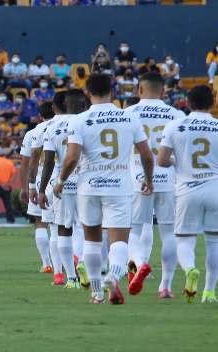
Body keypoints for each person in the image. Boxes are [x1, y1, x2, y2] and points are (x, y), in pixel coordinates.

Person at [54, 73, 155, 305]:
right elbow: (147, 154)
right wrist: (149, 179)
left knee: (91, 240)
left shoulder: (78, 120)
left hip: (88, 187)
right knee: (119, 240)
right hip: (119, 186)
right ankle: (113, 275)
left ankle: (97, 292)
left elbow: (71, 158)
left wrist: (60, 180)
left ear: (87, 94)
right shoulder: (129, 118)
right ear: (113, 91)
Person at [158, 84, 218, 303]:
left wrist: (178, 161)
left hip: (187, 188)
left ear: (186, 103)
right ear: (213, 103)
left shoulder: (174, 126)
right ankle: (209, 292)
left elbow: (162, 160)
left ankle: (190, 270)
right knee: (215, 243)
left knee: (184, 240)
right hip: (215, 187)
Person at [123, 73, 186, 298]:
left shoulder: (127, 114)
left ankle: (140, 264)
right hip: (168, 179)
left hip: (137, 180)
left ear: (139, 89)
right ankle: (165, 287)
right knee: (169, 233)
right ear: (163, 91)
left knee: (133, 231)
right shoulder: (176, 115)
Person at [39, 89, 91, 290]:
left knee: (63, 229)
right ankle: (84, 261)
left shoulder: (51, 127)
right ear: (83, 104)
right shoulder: (88, 122)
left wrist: (42, 189)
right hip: (86, 182)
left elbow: (49, 161)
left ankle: (71, 278)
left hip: (62, 184)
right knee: (89, 228)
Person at [20, 102, 57, 274]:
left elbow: (26, 162)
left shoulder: (33, 133)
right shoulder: (67, 125)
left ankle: (47, 263)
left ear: (39, 116)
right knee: (64, 224)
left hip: (39, 180)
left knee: (40, 223)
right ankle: (66, 262)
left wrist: (25, 187)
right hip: (61, 179)